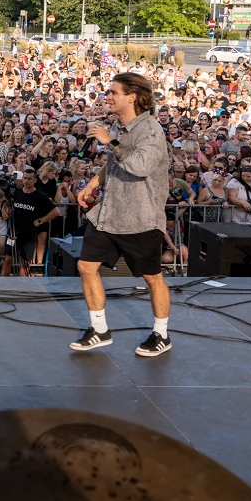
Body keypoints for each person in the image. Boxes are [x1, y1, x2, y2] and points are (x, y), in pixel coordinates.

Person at [71, 72, 173, 358]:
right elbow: (117, 163)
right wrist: (93, 183)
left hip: (139, 216)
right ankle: (99, 329)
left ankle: (161, 334)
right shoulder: (121, 127)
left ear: (132, 97)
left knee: (152, 277)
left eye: (113, 92)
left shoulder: (151, 129)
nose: (108, 96)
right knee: (86, 266)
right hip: (109, 213)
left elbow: (139, 165)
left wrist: (109, 142)